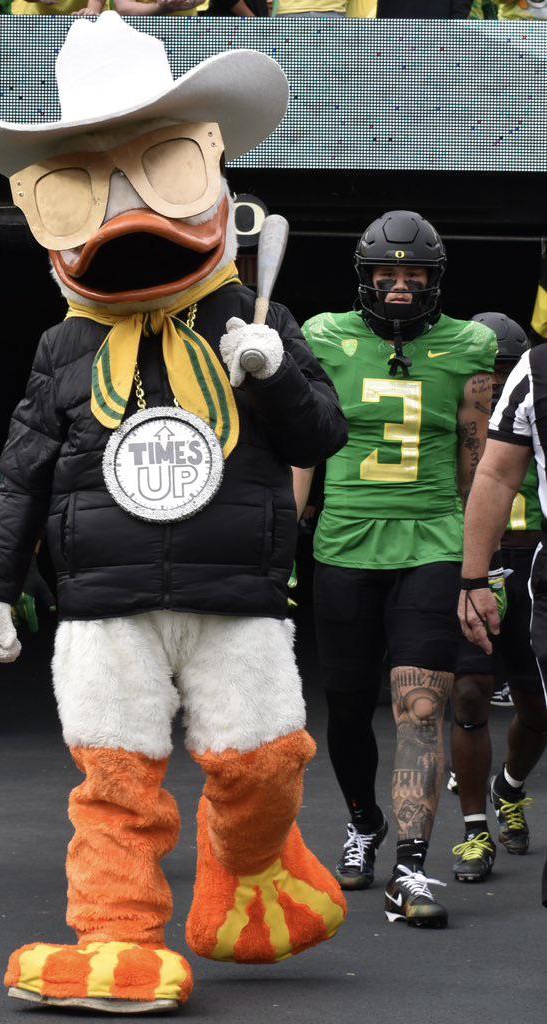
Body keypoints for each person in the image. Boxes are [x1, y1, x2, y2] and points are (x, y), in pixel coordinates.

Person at [0, 13, 347, 1012]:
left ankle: (248, 864)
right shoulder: (62, 349)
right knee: (116, 783)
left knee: (264, 765)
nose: (130, 218)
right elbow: (23, 472)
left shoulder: (255, 320)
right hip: (105, 601)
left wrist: (271, 379)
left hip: (237, 591)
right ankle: (114, 939)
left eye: (160, 173)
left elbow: (320, 438)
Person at [294, 210, 497, 928]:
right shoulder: (324, 336)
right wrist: (283, 534)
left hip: (433, 541)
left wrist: (479, 568)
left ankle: (410, 870)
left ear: (435, 280)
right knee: (346, 706)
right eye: (389, 272)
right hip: (345, 542)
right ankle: (363, 821)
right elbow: (304, 444)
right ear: (366, 278)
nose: (402, 285)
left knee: (420, 705)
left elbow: (479, 464)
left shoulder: (470, 345)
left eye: (415, 274)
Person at [450, 314, 545, 883]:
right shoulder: (452, 414)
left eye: (505, 369)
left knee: (538, 711)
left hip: (532, 558)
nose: (497, 382)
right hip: (475, 561)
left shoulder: (528, 402)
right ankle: (473, 828)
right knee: (469, 692)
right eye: (487, 373)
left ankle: (508, 786)